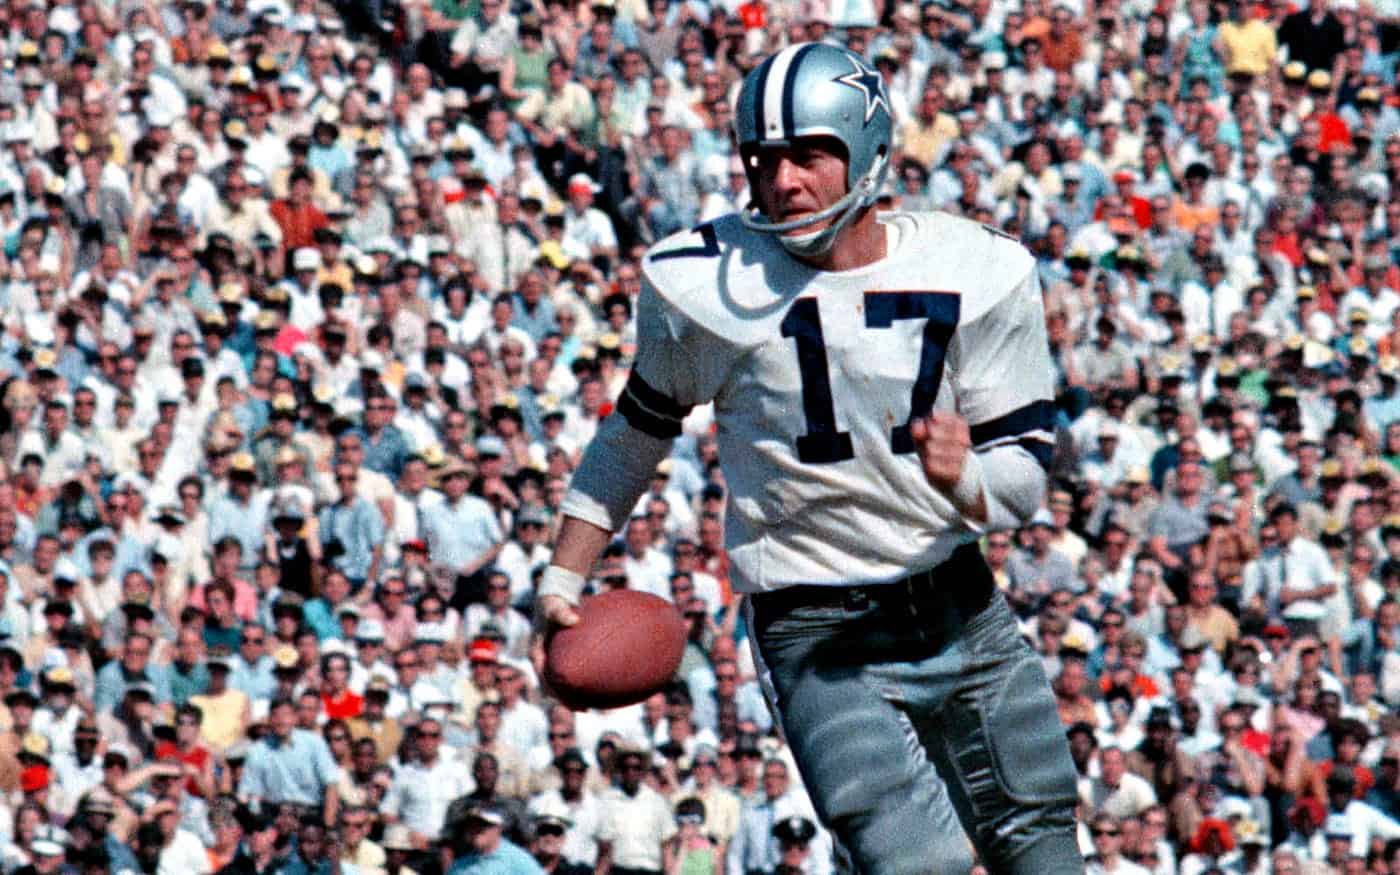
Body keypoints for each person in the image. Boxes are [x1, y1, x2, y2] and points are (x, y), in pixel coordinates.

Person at [532, 42, 1081, 874]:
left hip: (958, 602)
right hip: (816, 624)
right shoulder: (705, 283)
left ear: (865, 155)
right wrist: (563, 577)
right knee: (915, 862)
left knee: (1042, 844)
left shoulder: (978, 267)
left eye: (809, 155)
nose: (783, 180)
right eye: (764, 158)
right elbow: (636, 429)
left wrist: (962, 477)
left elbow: (1023, 482)